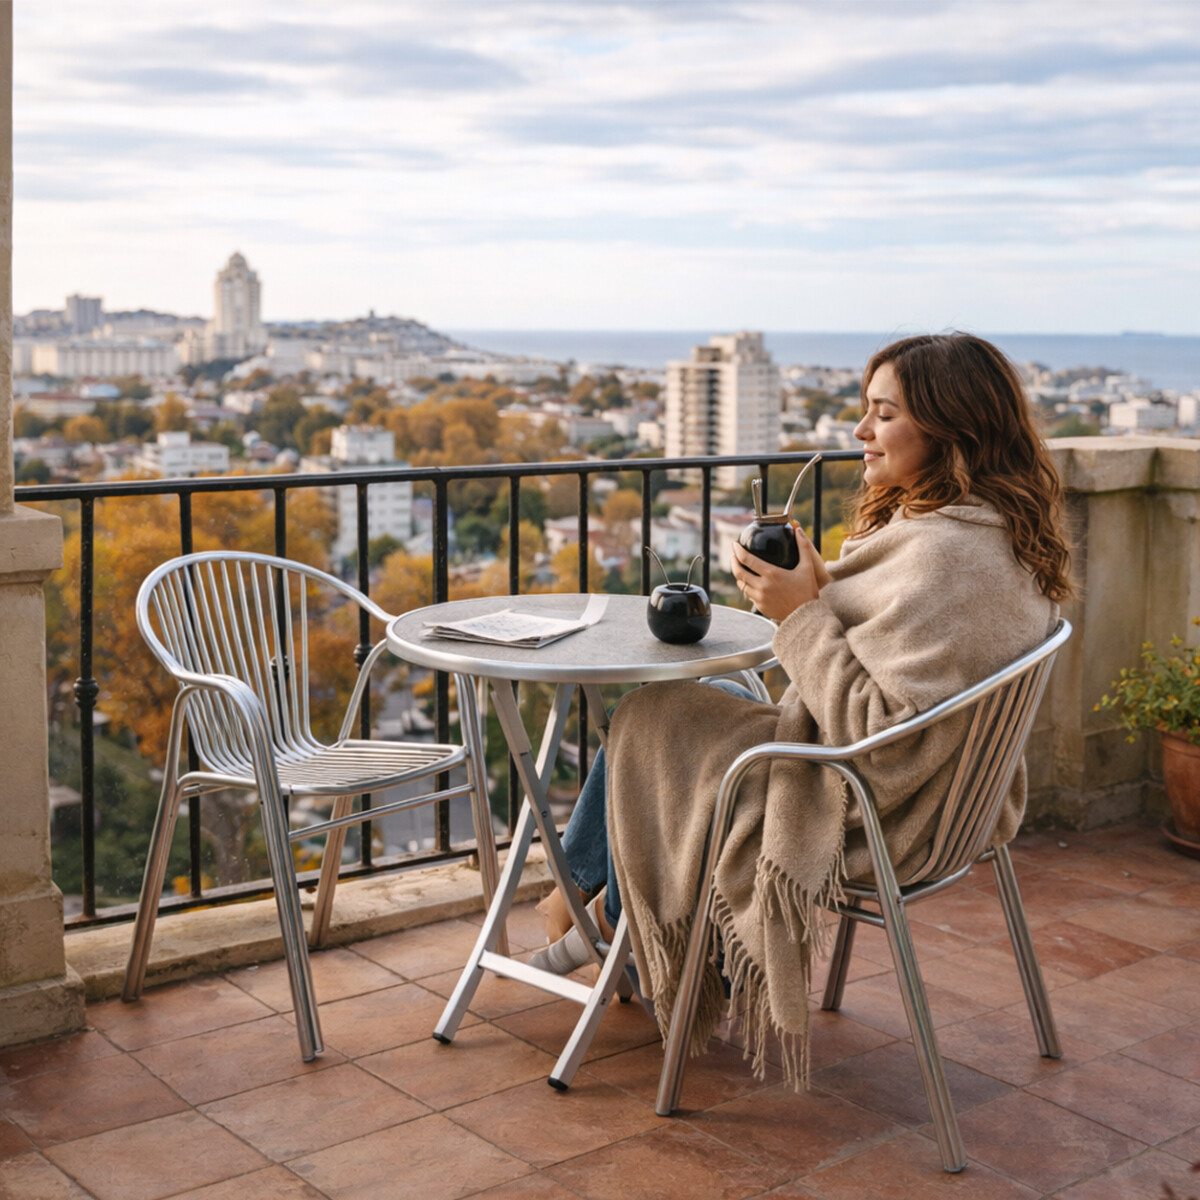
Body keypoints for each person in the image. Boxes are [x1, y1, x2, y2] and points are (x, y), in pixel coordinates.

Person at [532, 332, 1072, 1084]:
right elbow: (894, 657)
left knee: (650, 715)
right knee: (708, 699)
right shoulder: (992, 537)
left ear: (951, 432)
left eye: (883, 415)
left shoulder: (942, 559)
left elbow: (876, 738)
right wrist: (819, 591)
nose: (860, 432)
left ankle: (601, 919)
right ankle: (595, 909)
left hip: (877, 811)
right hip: (953, 802)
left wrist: (801, 615)